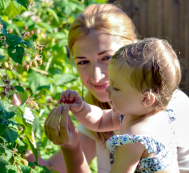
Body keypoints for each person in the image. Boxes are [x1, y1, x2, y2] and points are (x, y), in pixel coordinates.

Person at [25, 4, 189, 173]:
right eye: (82, 62)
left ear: (132, 48)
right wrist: (23, 134)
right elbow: (100, 120)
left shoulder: (146, 127)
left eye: (107, 57)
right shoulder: (133, 108)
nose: (96, 77)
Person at [54, 38, 180, 172]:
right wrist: (81, 107)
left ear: (147, 99)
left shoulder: (136, 136)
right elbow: (101, 120)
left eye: (116, 87)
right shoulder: (146, 114)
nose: (107, 89)